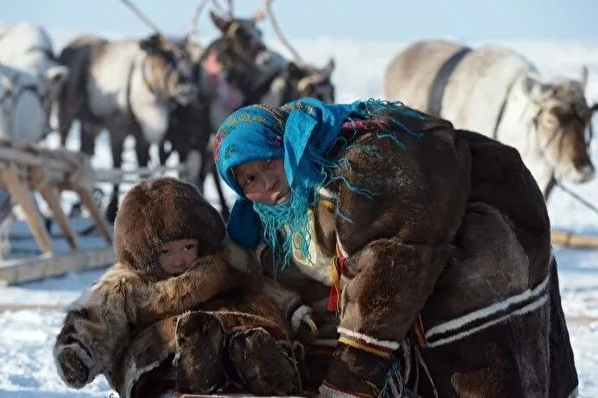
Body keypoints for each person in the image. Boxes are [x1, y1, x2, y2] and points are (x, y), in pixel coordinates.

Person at [213, 98, 579, 397]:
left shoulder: (358, 174)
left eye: (269, 162)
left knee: (479, 356)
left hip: (489, 227)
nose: (269, 183)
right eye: (249, 179)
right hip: (438, 232)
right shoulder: (281, 213)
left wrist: (347, 382)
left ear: (288, 145)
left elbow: (387, 274)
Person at [53, 176, 316, 397]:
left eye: (188, 247)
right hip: (166, 345)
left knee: (254, 325)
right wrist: (79, 350)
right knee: (166, 347)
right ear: (142, 251)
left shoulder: (224, 261)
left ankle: (264, 364)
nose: (179, 259)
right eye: (166, 252)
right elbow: (99, 315)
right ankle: (192, 366)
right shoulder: (127, 282)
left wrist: (292, 310)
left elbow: (260, 287)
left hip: (237, 329)